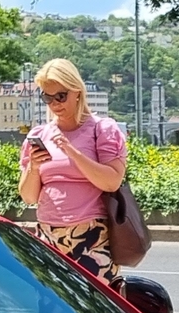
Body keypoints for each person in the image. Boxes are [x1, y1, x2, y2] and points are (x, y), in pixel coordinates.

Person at [17, 59, 127, 280]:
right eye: (47, 97)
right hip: (49, 234)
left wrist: (72, 152)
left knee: (95, 309)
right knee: (51, 310)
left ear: (77, 91)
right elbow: (28, 197)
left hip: (91, 236)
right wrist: (34, 167)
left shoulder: (102, 129)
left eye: (60, 96)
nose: (55, 104)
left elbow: (112, 181)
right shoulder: (39, 135)